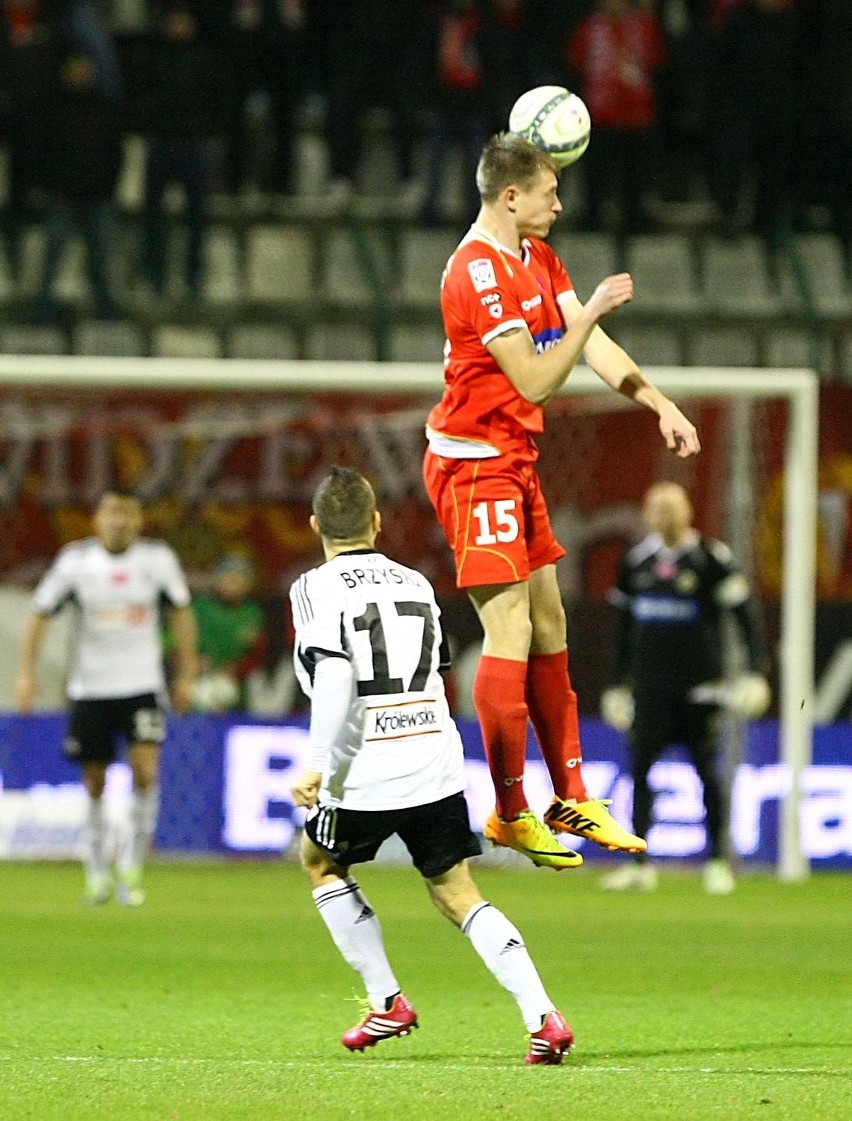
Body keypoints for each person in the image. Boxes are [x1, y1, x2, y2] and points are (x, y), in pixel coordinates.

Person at [422, 132, 700, 871]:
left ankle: (569, 793)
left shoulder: (536, 257)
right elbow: (536, 379)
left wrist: (658, 403)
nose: (561, 201)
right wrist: (589, 313)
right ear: (510, 197)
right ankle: (510, 807)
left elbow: (595, 348)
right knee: (509, 626)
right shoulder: (478, 271)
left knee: (550, 622)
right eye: (549, 191)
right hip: (474, 466)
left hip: (515, 461)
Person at [290, 467, 575, 1066]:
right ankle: (543, 1017)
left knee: (320, 861)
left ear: (316, 526)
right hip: (435, 758)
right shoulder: (415, 582)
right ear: (376, 522)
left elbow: (337, 671)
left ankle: (387, 1000)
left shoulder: (314, 588)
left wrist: (316, 762)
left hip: (364, 770)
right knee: (456, 891)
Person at [14, 487, 198, 906]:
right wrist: (26, 673)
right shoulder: (76, 563)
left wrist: (186, 673)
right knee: (94, 782)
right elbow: (40, 613)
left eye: (128, 513)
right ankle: (97, 872)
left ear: (139, 519)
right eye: (112, 512)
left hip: (142, 684)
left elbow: (182, 611)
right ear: (97, 519)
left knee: (145, 770)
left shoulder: (157, 560)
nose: (120, 521)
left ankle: (131, 868)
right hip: (91, 687)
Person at [600, 481, 771, 894]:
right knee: (640, 773)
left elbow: (745, 617)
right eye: (657, 507)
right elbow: (621, 629)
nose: (666, 515)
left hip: (700, 687)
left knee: (707, 773)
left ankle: (716, 861)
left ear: (689, 511)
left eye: (673, 506)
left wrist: (753, 672)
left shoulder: (711, 559)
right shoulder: (636, 561)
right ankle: (640, 863)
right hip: (649, 687)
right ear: (646, 514)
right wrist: (614, 685)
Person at [190, 553, 268, 712]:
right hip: (196, 677)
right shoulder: (198, 607)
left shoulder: (251, 613)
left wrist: (237, 670)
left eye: (242, 581)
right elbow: (174, 643)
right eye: (231, 579)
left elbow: (257, 652)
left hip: (237, 682)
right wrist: (190, 662)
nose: (235, 585)